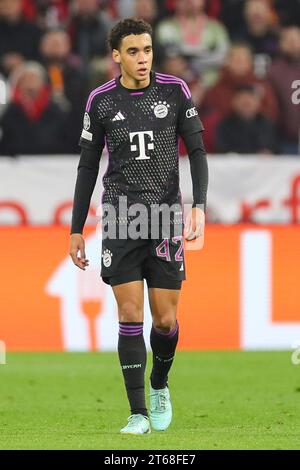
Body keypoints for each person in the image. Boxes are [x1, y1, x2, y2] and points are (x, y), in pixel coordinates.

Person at [69, 18, 208, 434]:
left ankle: (159, 384)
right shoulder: (101, 100)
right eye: (133, 51)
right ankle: (137, 414)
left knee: (164, 322)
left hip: (165, 218)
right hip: (120, 218)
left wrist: (198, 205)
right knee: (129, 314)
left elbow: (197, 150)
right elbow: (88, 166)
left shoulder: (174, 91)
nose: (143, 58)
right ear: (117, 56)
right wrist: (77, 228)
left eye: (147, 50)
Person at [215, 84, 277, 154]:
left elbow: (272, 149)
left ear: (258, 103)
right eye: (241, 99)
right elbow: (222, 151)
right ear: (233, 102)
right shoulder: (225, 125)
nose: (246, 103)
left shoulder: (267, 124)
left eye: (251, 99)